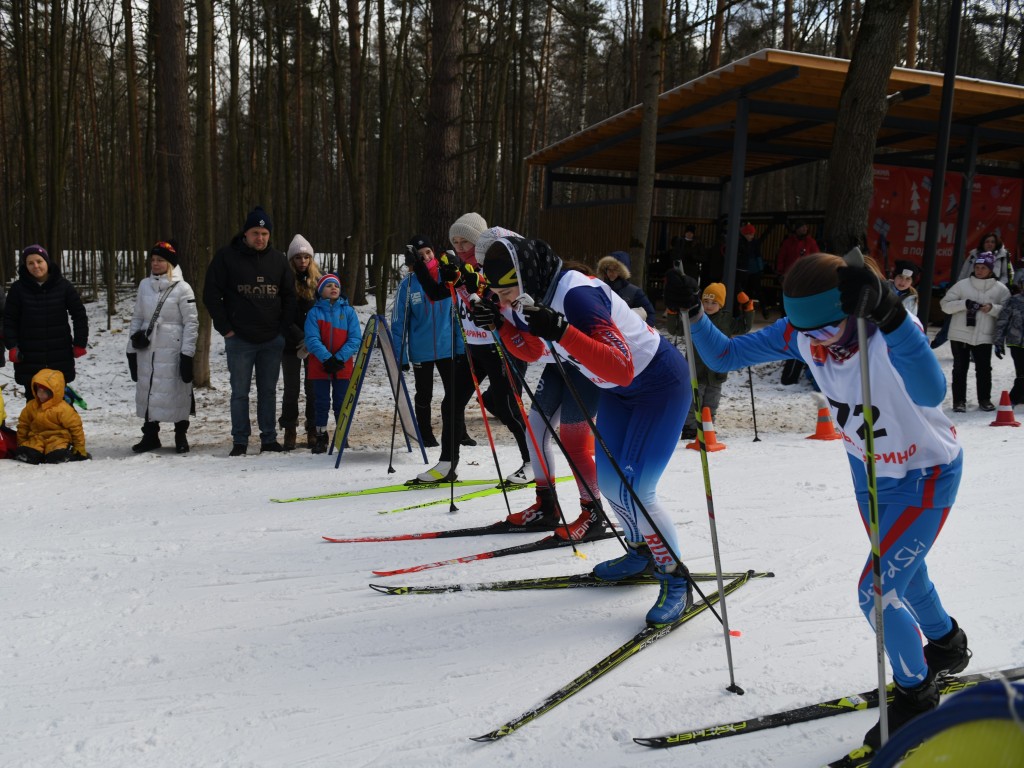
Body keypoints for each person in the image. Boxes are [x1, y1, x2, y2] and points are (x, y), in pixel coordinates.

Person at [668, 250, 970, 750]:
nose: (815, 343)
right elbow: (723, 356)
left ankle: (917, 697)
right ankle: (946, 643)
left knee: (876, 591)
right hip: (869, 473)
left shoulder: (888, 333)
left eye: (826, 330)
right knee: (905, 574)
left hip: (924, 477)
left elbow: (931, 390)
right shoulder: (800, 332)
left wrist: (892, 315)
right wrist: (695, 314)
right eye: (804, 332)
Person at [478, 236, 695, 626]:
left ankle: (675, 578)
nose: (505, 300)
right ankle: (641, 550)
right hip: (617, 391)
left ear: (525, 277)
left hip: (658, 384)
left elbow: (621, 366)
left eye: (508, 292)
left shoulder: (577, 296)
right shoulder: (530, 295)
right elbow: (531, 350)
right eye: (498, 294)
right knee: (611, 483)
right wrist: (501, 324)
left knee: (638, 489)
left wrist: (562, 331)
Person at [410, 214, 533, 485]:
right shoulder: (457, 265)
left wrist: (468, 278)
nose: (461, 247)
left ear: (479, 241)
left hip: (502, 346)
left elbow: (496, 297)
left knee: (505, 405)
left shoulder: (496, 263)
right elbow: (436, 293)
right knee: (451, 402)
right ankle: (446, 463)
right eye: (455, 242)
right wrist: (421, 266)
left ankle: (532, 461)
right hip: (473, 346)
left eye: (466, 242)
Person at [203, 206, 297, 456]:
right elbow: (211, 293)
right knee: (240, 393)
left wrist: (282, 329)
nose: (260, 238)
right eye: (256, 232)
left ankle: (269, 438)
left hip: (271, 339)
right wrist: (225, 327)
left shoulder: (278, 260)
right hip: (240, 339)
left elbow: (290, 296)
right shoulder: (227, 257)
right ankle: (240, 440)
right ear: (245, 233)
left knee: (267, 391)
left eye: (265, 233)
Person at [391, 234, 469, 482]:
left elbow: (457, 316)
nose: (425, 257)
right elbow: (398, 323)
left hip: (447, 348)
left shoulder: (446, 278)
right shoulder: (408, 284)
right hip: (421, 349)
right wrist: (399, 354)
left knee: (454, 393)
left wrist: (460, 348)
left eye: (428, 253)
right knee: (423, 393)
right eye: (420, 254)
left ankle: (460, 433)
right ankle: (425, 433)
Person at [126, 241, 199, 454]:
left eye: (160, 260)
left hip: (173, 348)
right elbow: (138, 316)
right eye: (153, 260)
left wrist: (187, 354)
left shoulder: (183, 288)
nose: (155, 263)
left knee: (177, 390)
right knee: (148, 390)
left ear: (170, 263)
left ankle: (180, 434)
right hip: (148, 349)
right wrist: (132, 346)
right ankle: (150, 435)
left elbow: (191, 322)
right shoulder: (144, 285)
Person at [3, 245, 89, 399]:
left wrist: (80, 343)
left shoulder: (63, 286)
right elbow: (9, 319)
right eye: (30, 263)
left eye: (39, 261)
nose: (36, 266)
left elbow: (79, 315)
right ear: (26, 266)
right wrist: (12, 346)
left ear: (47, 262)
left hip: (59, 355)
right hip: (29, 357)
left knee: (59, 406)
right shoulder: (18, 289)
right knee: (33, 404)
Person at [680, 282, 753, 440]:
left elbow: (744, 327)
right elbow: (676, 329)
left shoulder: (726, 320)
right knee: (693, 402)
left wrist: (747, 307)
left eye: (714, 303)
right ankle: (690, 428)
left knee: (711, 402)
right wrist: (674, 311)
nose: (709, 306)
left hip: (716, 371)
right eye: (706, 302)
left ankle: (707, 426)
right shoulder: (694, 317)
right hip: (696, 368)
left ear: (721, 304)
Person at [940, 251, 1011, 412]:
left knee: (984, 368)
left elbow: (1007, 311)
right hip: (959, 334)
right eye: (977, 267)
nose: (979, 270)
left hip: (984, 336)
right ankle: (959, 401)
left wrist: (992, 308)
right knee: (959, 369)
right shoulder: (962, 285)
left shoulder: (1001, 289)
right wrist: (964, 304)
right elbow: (945, 305)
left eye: (983, 268)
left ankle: (984, 399)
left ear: (991, 270)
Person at [304, 273, 362, 454]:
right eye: (328, 286)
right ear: (321, 291)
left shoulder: (348, 312)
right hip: (320, 365)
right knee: (320, 402)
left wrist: (339, 358)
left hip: (342, 366)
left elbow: (355, 339)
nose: (333, 288)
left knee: (342, 402)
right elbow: (311, 339)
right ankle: (321, 436)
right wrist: (327, 358)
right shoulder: (314, 313)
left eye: (336, 285)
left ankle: (342, 435)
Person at [932, 233, 1013, 349]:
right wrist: (963, 286)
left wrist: (996, 285)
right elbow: (964, 272)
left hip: (992, 291)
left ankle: (974, 352)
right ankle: (937, 342)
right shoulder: (973, 254)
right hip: (970, 288)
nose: (989, 244)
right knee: (954, 320)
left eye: (992, 242)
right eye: (987, 241)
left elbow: (1008, 274)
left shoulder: (1004, 256)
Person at [280, 235, 322, 450]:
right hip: (290, 343)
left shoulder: (318, 283)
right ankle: (289, 427)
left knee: (313, 387)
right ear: (292, 259)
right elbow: (282, 315)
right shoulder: (285, 281)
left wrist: (312, 339)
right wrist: (299, 337)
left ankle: (313, 427)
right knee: (291, 388)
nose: (303, 261)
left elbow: (324, 313)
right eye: (298, 257)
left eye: (306, 256)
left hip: (314, 345)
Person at [13, 368, 89, 464]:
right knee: (27, 454)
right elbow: (23, 425)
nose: (41, 395)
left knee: (55, 457)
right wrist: (22, 443)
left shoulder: (63, 409)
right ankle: (37, 455)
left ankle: (69, 456)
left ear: (54, 392)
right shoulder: (32, 406)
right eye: (39, 391)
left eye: (45, 392)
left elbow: (75, 428)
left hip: (58, 439)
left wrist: (79, 447)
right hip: (37, 439)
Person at [596, 252, 657, 326]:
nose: (611, 273)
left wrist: (641, 331)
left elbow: (650, 314)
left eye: (615, 269)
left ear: (622, 271)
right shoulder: (600, 288)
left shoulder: (634, 292)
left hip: (628, 333)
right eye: (608, 269)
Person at [994, 279, 1024, 405]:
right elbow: (1003, 320)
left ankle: (1013, 398)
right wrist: (998, 341)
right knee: (1021, 372)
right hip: (1016, 342)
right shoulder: (1014, 300)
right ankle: (1014, 399)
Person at [737, 222, 766, 316]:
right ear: (746, 234)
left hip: (753, 271)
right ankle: (746, 310)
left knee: (756, 291)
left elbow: (758, 256)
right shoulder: (741, 243)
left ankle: (763, 308)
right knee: (746, 291)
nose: (752, 236)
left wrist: (760, 270)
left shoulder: (754, 243)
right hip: (745, 271)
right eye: (751, 234)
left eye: (753, 234)